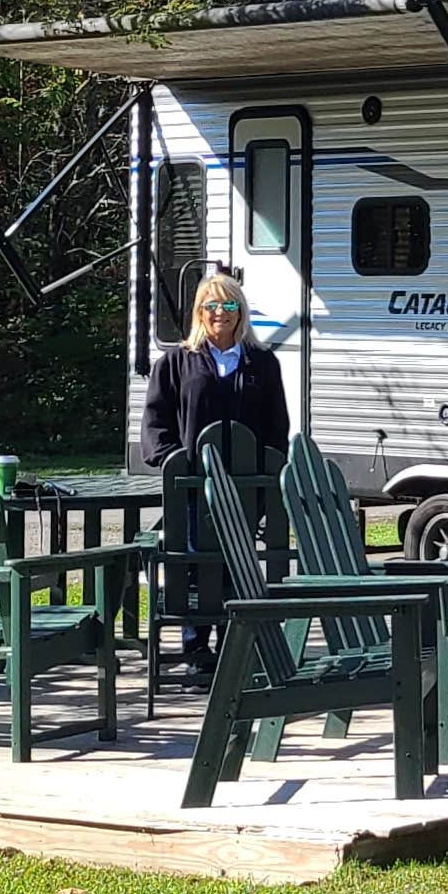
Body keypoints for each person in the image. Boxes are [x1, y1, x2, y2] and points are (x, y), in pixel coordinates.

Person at [143, 271, 290, 677]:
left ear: (241, 313)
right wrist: (173, 461)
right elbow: (155, 421)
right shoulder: (176, 362)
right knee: (195, 564)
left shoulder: (261, 362)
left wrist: (265, 473)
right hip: (193, 489)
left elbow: (277, 427)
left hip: (246, 488)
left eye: (228, 305)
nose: (220, 313)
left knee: (236, 565)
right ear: (199, 313)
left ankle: (235, 649)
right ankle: (196, 652)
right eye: (212, 306)